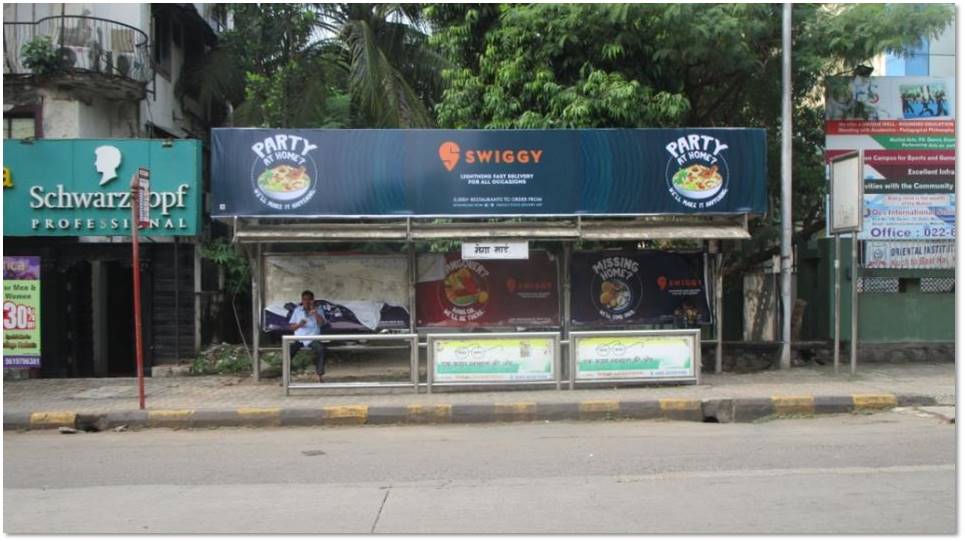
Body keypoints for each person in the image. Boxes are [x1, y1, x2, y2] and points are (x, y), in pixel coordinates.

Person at [289, 290, 328, 382]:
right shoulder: (297, 310)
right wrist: (299, 324)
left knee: (321, 349)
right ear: (301, 300)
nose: (306, 302)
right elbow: (292, 327)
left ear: (312, 300)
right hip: (300, 338)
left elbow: (322, 323)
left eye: (309, 300)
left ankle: (319, 375)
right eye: (304, 299)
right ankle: (286, 376)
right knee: (288, 351)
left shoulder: (318, 309)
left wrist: (315, 313)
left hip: (313, 338)